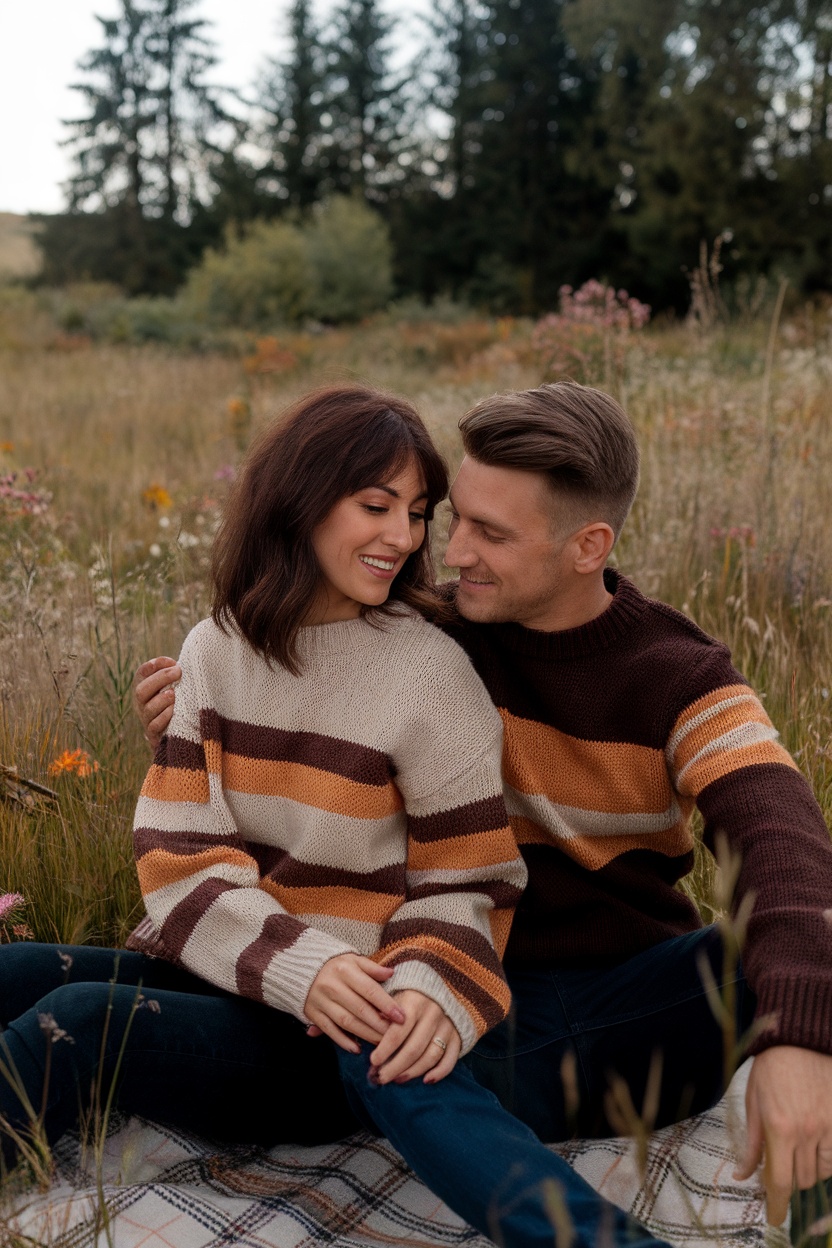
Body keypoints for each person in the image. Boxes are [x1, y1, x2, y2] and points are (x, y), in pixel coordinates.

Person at [138, 380, 832, 1232]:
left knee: (810, 946)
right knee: (375, 1031)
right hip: (479, 998)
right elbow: (305, 731)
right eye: (452, 515)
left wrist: (800, 1036)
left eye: (490, 533)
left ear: (588, 546)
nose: (449, 550)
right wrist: (189, 726)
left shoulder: (682, 680)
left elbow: (781, 838)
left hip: (634, 1005)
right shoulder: (429, 634)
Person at [0, 385, 670, 1248]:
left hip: (333, 1032)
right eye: (376, 505)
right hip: (243, 973)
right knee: (18, 973)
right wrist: (293, 961)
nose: (403, 535)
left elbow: (468, 880)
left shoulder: (428, 672)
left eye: (418, 513)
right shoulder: (216, 647)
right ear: (302, 497)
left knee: (84, 1023)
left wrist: (420, 988)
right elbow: (181, 853)